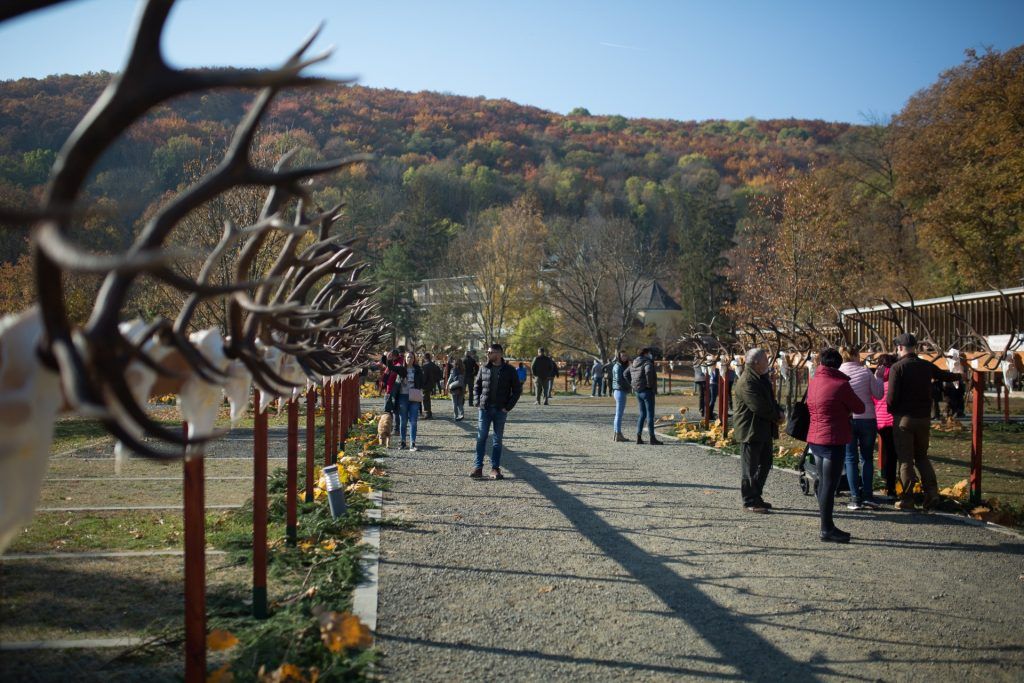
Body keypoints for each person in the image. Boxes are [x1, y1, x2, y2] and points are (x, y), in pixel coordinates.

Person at [887, 333, 962, 510]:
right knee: (921, 457)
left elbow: (891, 399)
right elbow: (947, 376)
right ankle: (932, 493)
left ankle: (907, 498)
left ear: (899, 348)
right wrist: (961, 372)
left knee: (905, 460)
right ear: (915, 348)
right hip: (924, 418)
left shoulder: (898, 368)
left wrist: (893, 411)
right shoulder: (926, 365)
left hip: (904, 419)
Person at [807, 348, 865, 542]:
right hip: (833, 438)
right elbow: (860, 407)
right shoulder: (840, 385)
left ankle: (827, 526)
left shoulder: (814, 382)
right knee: (829, 486)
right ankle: (826, 528)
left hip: (815, 437)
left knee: (824, 483)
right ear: (838, 365)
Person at [733, 348, 784, 513]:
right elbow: (758, 406)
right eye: (765, 360)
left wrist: (778, 410)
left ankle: (756, 496)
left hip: (763, 429)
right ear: (756, 362)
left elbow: (770, 400)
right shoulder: (747, 381)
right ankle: (749, 500)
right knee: (750, 468)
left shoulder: (761, 378)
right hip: (750, 431)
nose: (767, 362)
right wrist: (777, 416)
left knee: (766, 463)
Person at [839, 348, 885, 510]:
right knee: (867, 458)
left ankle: (854, 497)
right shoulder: (865, 373)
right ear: (856, 356)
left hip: (847, 420)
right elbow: (879, 394)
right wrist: (878, 377)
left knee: (850, 458)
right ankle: (868, 495)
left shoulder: (838, 373)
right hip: (867, 419)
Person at [472, 343, 522, 480]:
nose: (488, 354)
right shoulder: (483, 368)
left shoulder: (509, 370)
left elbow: (517, 390)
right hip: (485, 409)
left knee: (497, 440)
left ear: (499, 354)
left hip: (500, 410)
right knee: (481, 438)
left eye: (491, 352)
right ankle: (478, 467)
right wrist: (478, 402)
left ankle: (495, 468)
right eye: (487, 352)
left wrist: (508, 407)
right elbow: (476, 386)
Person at [872, 353, 899, 497]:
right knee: (895, 454)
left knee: (888, 453)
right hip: (894, 421)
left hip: (880, 422)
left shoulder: (878, 382)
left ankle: (889, 485)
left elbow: (874, 400)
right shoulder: (897, 381)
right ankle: (892, 487)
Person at [391, 351, 425, 451]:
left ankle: (413, 443)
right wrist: (388, 358)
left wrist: (419, 387)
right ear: (405, 359)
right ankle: (402, 442)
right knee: (403, 420)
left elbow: (422, 381)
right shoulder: (401, 369)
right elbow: (391, 367)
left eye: (411, 357)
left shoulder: (417, 370)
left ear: (414, 359)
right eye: (407, 357)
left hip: (414, 396)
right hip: (403, 396)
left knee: (413, 421)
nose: (409, 359)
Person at [628, 348, 661, 445]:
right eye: (649, 353)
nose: (650, 355)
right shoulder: (647, 363)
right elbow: (648, 372)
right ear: (646, 354)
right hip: (647, 391)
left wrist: (633, 385)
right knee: (650, 415)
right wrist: (649, 385)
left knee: (642, 414)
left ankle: (638, 437)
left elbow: (625, 374)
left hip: (638, 392)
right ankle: (652, 438)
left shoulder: (633, 363)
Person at [611, 350, 632, 442]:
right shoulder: (618, 366)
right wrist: (629, 386)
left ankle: (616, 434)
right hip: (620, 391)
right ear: (619, 357)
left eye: (626, 356)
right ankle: (618, 434)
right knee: (619, 414)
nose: (625, 357)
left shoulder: (620, 366)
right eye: (623, 356)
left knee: (618, 414)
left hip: (618, 390)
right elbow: (620, 380)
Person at [421, 353, 443, 419]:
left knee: (425, 399)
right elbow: (439, 375)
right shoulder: (435, 365)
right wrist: (435, 380)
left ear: (425, 358)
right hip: (432, 383)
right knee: (427, 398)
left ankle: (427, 413)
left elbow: (424, 377)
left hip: (426, 384)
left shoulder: (425, 366)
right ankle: (429, 412)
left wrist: (422, 384)